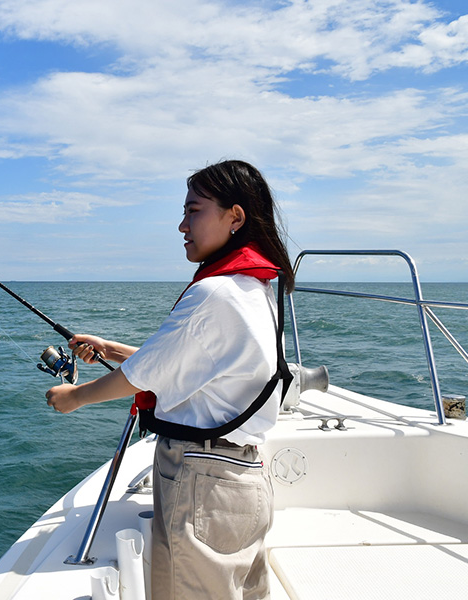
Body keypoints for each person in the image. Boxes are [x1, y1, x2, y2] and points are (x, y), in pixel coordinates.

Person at [45, 159, 294, 600]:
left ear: (235, 217)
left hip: (204, 483)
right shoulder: (253, 289)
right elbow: (189, 362)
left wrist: (74, 397)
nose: (182, 225)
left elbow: (143, 375)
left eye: (194, 210)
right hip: (243, 481)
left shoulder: (212, 293)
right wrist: (109, 347)